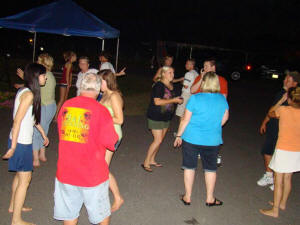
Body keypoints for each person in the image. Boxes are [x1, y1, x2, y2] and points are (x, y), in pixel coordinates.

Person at [54, 73, 118, 225]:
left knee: (69, 215)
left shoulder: (66, 105)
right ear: (98, 90)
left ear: (80, 86)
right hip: (92, 175)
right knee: (101, 215)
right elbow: (111, 142)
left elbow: (61, 131)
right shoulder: (101, 111)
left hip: (66, 172)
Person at [2, 63, 49, 225]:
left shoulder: (25, 91)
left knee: (19, 175)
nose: (46, 78)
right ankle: (16, 220)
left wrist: (43, 133)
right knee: (25, 179)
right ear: (37, 77)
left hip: (21, 141)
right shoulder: (28, 95)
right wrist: (13, 147)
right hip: (21, 142)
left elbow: (32, 118)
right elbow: (17, 121)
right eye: (43, 75)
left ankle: (13, 206)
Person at [174, 72, 229, 206]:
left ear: (204, 83)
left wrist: (179, 135)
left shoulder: (195, 98)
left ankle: (187, 197)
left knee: (189, 167)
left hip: (191, 138)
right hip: (212, 140)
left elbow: (185, 119)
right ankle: (210, 198)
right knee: (210, 169)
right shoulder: (222, 99)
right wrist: (213, 126)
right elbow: (225, 118)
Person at [260, 86, 300, 218]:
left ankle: (275, 210)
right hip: (296, 150)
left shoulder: (283, 110)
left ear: (289, 99)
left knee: (278, 180)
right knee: (288, 178)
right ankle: (282, 203)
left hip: (283, 148)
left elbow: (270, 112)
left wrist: (280, 100)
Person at [257, 71, 299, 190]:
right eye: (285, 79)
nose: (285, 81)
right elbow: (272, 109)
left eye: (288, 80)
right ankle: (269, 175)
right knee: (267, 152)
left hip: (285, 132)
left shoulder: (295, 98)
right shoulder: (281, 93)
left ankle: (278, 180)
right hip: (273, 128)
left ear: (295, 83)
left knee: (279, 156)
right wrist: (265, 122)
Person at [15, 53, 57, 167]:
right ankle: (42, 154)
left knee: (36, 132)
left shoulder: (43, 76)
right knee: (44, 130)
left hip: (44, 107)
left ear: (43, 62)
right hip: (51, 106)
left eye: (38, 61)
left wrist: (25, 77)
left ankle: (36, 159)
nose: (37, 62)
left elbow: (35, 87)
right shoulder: (50, 75)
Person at [142, 66, 183, 172]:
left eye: (173, 72)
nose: (172, 74)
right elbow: (157, 102)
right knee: (158, 140)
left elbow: (169, 98)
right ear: (163, 74)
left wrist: (178, 100)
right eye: (169, 72)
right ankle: (146, 162)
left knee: (160, 141)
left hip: (166, 116)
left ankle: (152, 160)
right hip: (156, 116)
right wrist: (173, 100)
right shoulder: (159, 85)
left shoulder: (170, 85)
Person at [99, 69, 124, 212]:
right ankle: (101, 193)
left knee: (103, 167)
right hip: (103, 135)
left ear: (107, 81)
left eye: (100, 81)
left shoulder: (114, 96)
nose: (98, 83)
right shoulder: (103, 95)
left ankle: (118, 198)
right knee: (100, 166)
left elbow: (120, 120)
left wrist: (101, 118)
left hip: (112, 135)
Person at [54, 51, 77, 121]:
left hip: (65, 83)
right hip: (64, 83)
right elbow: (67, 75)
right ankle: (55, 116)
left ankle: (60, 115)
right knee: (61, 100)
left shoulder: (70, 64)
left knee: (64, 100)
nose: (76, 58)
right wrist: (67, 84)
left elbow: (70, 74)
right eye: (75, 56)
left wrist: (69, 83)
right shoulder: (69, 64)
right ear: (71, 57)